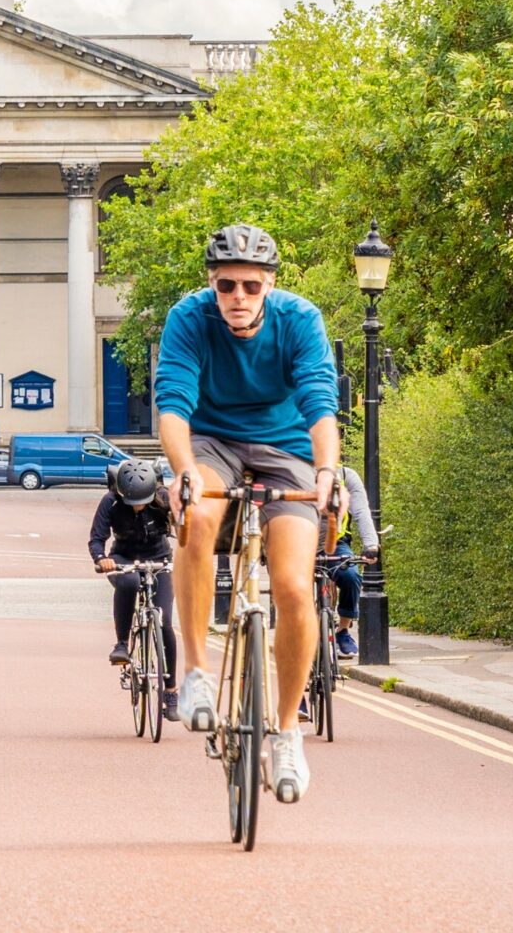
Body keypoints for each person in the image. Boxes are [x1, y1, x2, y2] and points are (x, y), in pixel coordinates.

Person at [156, 223, 339, 804]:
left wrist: (328, 473)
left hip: (286, 450)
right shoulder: (189, 318)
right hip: (212, 444)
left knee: (291, 585)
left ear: (270, 285)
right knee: (199, 516)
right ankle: (196, 674)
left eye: (251, 286)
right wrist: (183, 469)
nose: (238, 296)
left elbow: (318, 402)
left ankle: (287, 732)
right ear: (212, 284)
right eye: (226, 284)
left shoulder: (300, 320)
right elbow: (174, 403)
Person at [90, 459, 180, 721]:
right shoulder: (111, 501)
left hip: (160, 559)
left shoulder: (162, 498)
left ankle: (171, 692)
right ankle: (122, 644)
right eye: (133, 502)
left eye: (142, 501)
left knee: (164, 622)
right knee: (128, 583)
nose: (138, 506)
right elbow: (97, 538)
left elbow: (183, 525)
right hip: (124, 559)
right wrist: (100, 559)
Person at [328, 466, 380, 660]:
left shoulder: (345, 475)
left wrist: (371, 544)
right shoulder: (295, 467)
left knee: (351, 575)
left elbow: (361, 512)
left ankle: (342, 630)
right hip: (301, 542)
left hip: (336, 544)